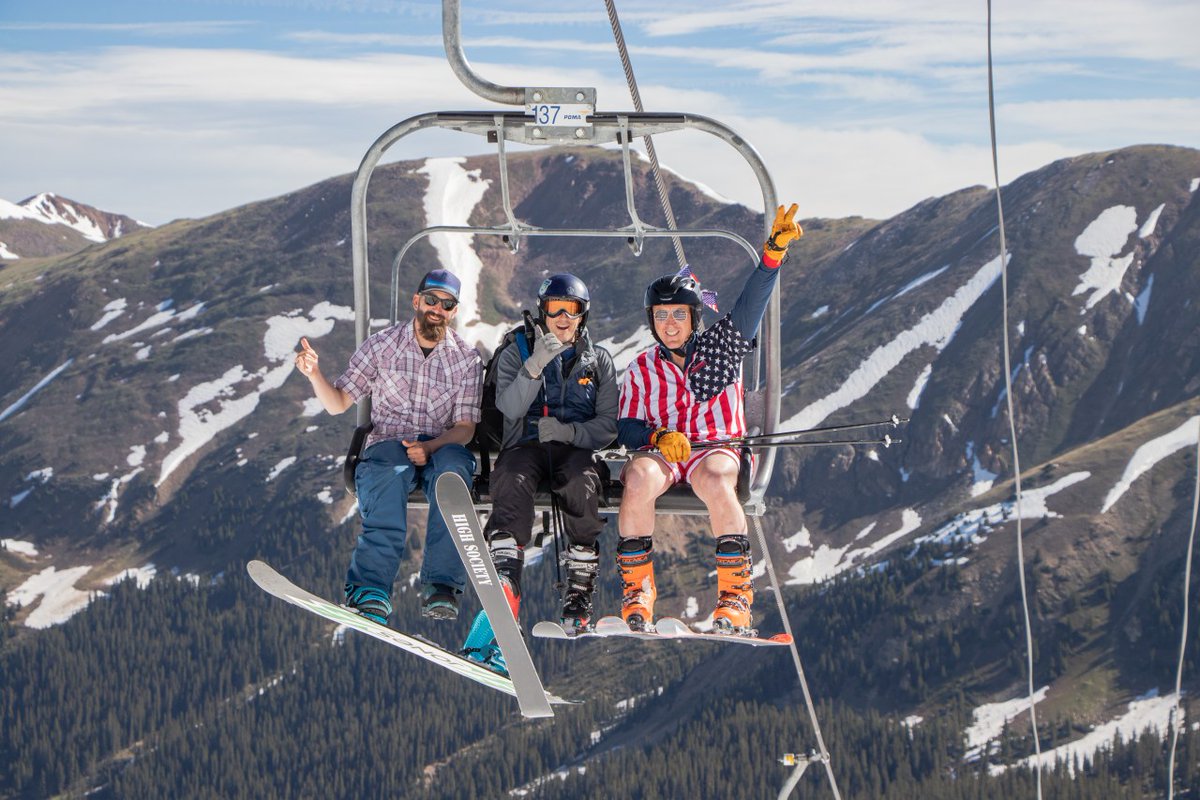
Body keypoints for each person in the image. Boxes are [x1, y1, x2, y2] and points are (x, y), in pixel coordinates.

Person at [614, 204, 803, 634]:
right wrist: (657, 436)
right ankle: (637, 590)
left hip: (715, 446)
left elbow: (751, 304)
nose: (669, 325)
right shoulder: (644, 367)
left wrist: (772, 255)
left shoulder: (720, 348)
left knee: (718, 479)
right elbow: (625, 426)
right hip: (666, 452)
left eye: (678, 314)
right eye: (661, 317)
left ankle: (735, 597)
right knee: (639, 478)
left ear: (694, 316)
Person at [294, 268, 482, 625]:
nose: (436, 309)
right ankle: (370, 587)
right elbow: (338, 402)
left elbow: (465, 427)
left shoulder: (466, 359)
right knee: (387, 472)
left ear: (453, 311)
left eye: (446, 304)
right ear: (416, 301)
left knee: (454, 473)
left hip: (441, 443)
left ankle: (441, 584)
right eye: (431, 300)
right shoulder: (382, 347)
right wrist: (314, 374)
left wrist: (432, 447)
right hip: (390, 440)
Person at [460, 273, 618, 673]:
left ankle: (580, 585)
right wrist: (535, 366)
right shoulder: (518, 349)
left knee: (582, 484)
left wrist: (571, 432)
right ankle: (506, 579)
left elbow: (607, 425)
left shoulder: (597, 360)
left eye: (572, 309)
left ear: (583, 316)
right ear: (542, 311)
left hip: (573, 449)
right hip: (525, 446)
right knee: (510, 479)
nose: (563, 318)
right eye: (555, 309)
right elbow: (509, 408)